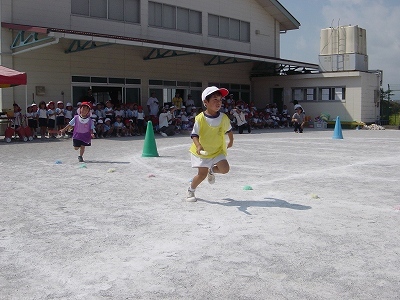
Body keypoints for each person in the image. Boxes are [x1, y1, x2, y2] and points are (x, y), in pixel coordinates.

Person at [186, 86, 234, 202]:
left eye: (220, 100)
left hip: (217, 150)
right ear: (205, 102)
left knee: (225, 169)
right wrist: (198, 145)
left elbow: (229, 130)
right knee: (201, 175)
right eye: (215, 100)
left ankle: (211, 170)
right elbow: (194, 135)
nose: (219, 103)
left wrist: (231, 141)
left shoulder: (223, 117)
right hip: (202, 152)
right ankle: (191, 190)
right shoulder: (200, 118)